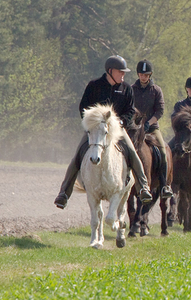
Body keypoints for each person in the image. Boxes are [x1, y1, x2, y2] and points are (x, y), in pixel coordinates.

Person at [54, 55, 152, 209]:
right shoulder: (94, 85)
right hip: (96, 131)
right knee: (78, 155)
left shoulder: (127, 89)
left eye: (124, 72)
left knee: (133, 153)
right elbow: (84, 107)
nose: (123, 75)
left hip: (117, 130)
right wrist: (91, 124)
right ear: (110, 71)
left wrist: (122, 122)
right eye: (120, 72)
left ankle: (143, 188)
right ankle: (64, 193)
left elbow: (130, 111)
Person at [131, 60, 173, 199]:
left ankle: (164, 185)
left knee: (162, 150)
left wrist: (149, 123)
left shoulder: (156, 90)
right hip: (135, 128)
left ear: (150, 75)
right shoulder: (131, 89)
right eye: (141, 74)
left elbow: (160, 111)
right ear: (138, 74)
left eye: (146, 75)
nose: (143, 77)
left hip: (151, 128)